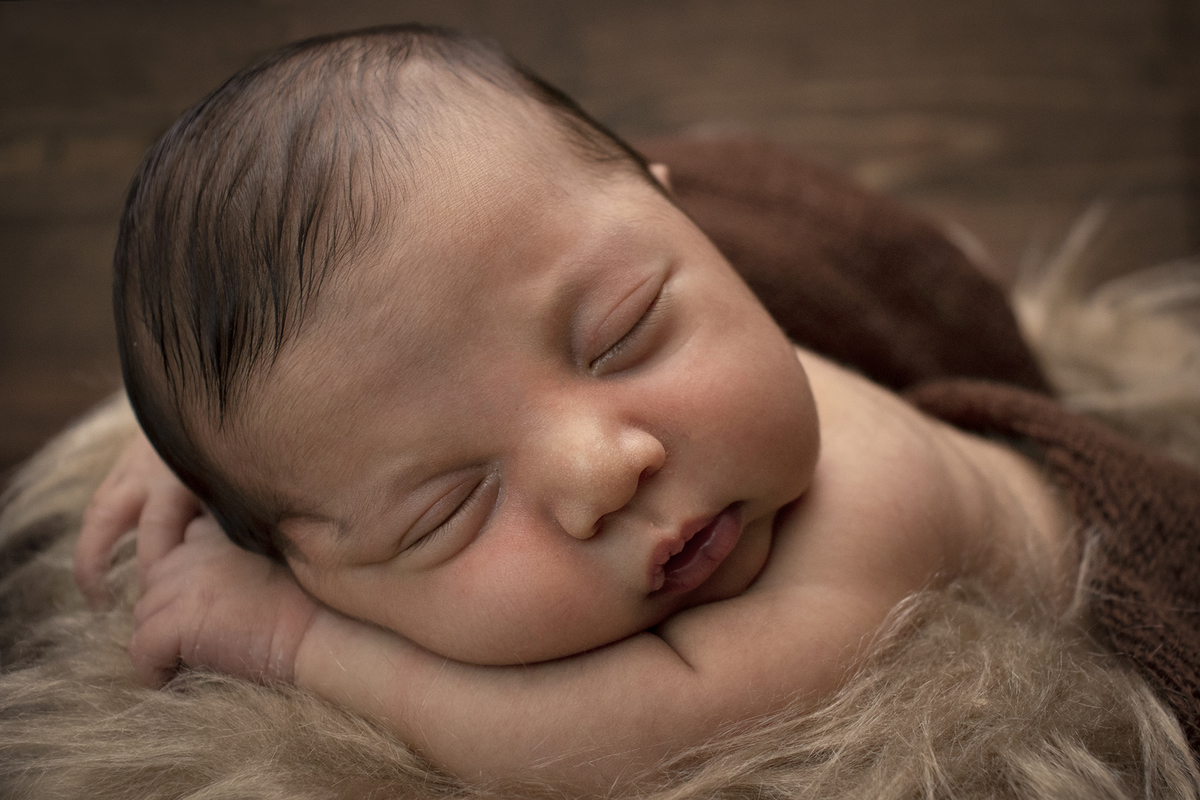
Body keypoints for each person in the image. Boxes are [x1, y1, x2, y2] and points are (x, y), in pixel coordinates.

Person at [69, 24, 1198, 796]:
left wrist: (295, 638)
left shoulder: (873, 507)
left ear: (683, 219)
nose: (602, 468)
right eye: (448, 508)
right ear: (304, 557)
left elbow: (625, 732)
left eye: (622, 334)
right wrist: (212, 455)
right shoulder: (563, 294)